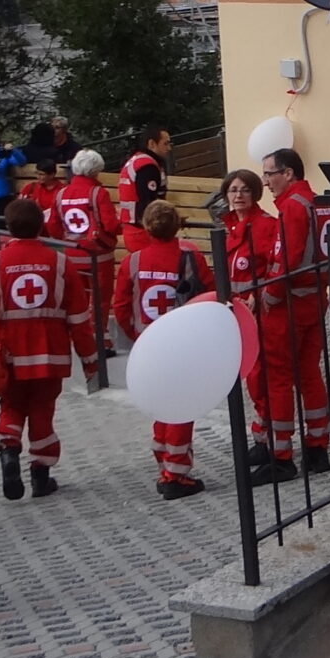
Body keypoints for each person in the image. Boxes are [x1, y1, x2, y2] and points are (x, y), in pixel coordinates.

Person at [0, 196, 96, 500]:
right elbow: (79, 318)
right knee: (42, 410)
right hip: (51, 353)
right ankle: (41, 475)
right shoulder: (61, 262)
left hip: (7, 355)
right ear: (42, 225)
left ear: (8, 227)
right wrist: (89, 359)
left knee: (11, 406)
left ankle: (9, 451)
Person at [114, 200, 212, 498]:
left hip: (149, 345)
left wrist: (135, 334)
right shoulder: (192, 257)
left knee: (160, 403)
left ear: (145, 226)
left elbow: (119, 306)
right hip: (182, 343)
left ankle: (163, 458)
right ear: (177, 225)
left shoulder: (132, 262)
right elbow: (210, 292)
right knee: (182, 406)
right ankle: (176, 474)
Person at [218, 168, 297, 481]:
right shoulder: (229, 228)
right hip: (237, 318)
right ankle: (262, 441)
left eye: (245, 190)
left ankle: (280, 451)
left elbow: (275, 268)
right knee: (253, 379)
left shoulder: (265, 226)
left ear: (255, 194)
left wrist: (258, 295)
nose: (238, 196)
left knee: (267, 378)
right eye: (233, 190)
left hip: (262, 315)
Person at [260, 149, 330, 475]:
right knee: (309, 373)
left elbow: (285, 258)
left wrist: (271, 295)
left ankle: (281, 456)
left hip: (289, 304)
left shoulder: (292, 207)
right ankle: (317, 448)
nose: (266, 181)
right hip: (316, 299)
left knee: (278, 378)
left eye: (270, 173)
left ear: (288, 173)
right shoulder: (321, 204)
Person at [55, 149, 123, 356]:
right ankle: (100, 343)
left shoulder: (61, 194)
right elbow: (111, 225)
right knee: (99, 301)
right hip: (98, 256)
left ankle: (78, 341)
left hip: (72, 255)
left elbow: (53, 226)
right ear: (95, 171)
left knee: (77, 301)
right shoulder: (98, 193)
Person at [121, 125, 172, 222]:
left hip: (132, 222)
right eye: (165, 144)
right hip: (143, 227)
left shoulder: (137, 160)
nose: (169, 148)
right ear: (152, 143)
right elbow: (149, 203)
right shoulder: (147, 167)